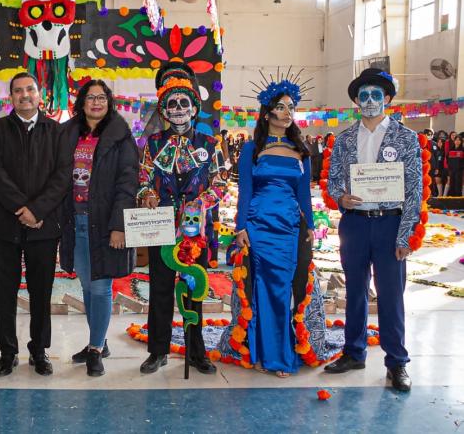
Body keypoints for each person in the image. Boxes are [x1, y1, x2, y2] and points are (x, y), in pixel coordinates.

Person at [325, 68, 422, 392]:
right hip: (355, 223)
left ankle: (396, 362)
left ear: (388, 99)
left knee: (391, 295)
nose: (369, 101)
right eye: (363, 95)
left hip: (390, 222)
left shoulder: (405, 138)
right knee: (354, 290)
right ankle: (353, 352)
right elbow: (334, 178)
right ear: (355, 100)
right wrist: (340, 196)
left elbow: (414, 190)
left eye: (375, 95)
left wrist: (405, 234)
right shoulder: (345, 139)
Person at [226, 79, 325, 377]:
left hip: (289, 228)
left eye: (291, 107)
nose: (286, 112)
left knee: (282, 290)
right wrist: (240, 227)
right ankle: (258, 351)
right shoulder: (251, 149)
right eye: (280, 107)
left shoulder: (302, 149)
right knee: (258, 289)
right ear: (267, 113)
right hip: (258, 225)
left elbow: (303, 193)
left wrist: (309, 224)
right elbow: (245, 190)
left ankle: (279, 354)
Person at [137, 61, 227, 375]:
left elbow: (221, 182)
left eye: (183, 103)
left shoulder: (210, 144)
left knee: (194, 288)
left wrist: (201, 202)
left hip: (196, 230)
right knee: (160, 288)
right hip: (160, 225)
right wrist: (146, 194)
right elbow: (143, 179)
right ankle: (157, 350)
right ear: (163, 110)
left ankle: (196, 351)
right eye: (171, 104)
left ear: (193, 109)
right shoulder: (152, 144)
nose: (177, 109)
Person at [0, 72, 70, 377]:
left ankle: (39, 350)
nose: (24, 95)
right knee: (4, 292)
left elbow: (62, 177)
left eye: (29, 89)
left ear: (39, 94)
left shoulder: (57, 132)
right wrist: (23, 209)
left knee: (41, 292)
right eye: (18, 91)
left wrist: (37, 210)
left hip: (44, 227)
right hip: (4, 225)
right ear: (11, 98)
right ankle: (7, 352)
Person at [58, 80, 139, 377]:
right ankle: (99, 342)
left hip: (105, 224)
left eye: (101, 97)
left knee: (101, 286)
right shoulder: (68, 134)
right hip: (75, 221)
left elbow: (128, 184)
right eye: (90, 97)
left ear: (109, 102)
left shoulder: (121, 137)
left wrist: (119, 226)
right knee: (86, 286)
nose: (96, 102)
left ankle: (94, 349)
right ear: (81, 103)